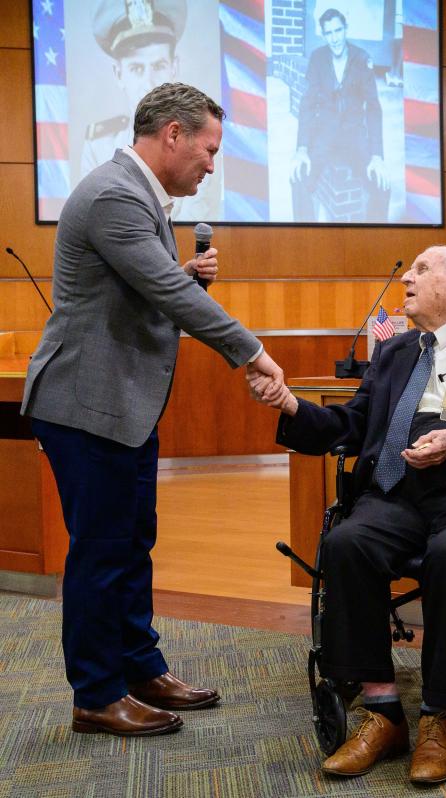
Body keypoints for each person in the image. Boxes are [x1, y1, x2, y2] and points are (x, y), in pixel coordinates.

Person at [21, 82, 285, 737]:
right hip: (86, 404)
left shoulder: (139, 196)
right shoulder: (115, 194)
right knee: (102, 552)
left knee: (131, 544)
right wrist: (249, 350)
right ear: (172, 133)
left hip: (120, 404)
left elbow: (143, 290)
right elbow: (163, 290)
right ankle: (96, 694)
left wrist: (189, 281)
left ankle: (139, 667)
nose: (212, 163)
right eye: (209, 148)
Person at [250, 246, 446, 784]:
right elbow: (351, 425)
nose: (407, 280)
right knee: (347, 544)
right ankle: (384, 711)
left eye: (421, 270)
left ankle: (440, 716)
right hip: (397, 492)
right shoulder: (394, 352)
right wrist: (292, 406)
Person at [83, 0, 220, 221]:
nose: (149, 81)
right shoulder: (97, 144)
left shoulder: (198, 150)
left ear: (174, 67)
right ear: (118, 74)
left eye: (158, 66)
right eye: (136, 69)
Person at [291, 7, 390, 222]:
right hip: (323, 137)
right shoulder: (317, 58)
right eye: (329, 33)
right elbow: (307, 105)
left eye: (338, 31)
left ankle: (374, 246)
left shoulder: (362, 59)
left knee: (382, 185)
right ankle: (304, 245)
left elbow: (373, 108)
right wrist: (301, 149)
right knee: (298, 179)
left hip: (355, 138)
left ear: (346, 29)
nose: (334, 38)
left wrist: (377, 155)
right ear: (323, 34)